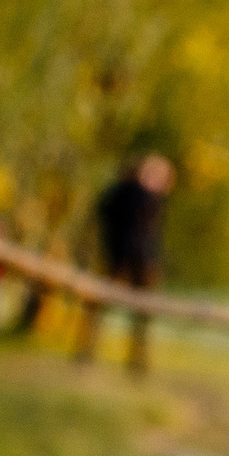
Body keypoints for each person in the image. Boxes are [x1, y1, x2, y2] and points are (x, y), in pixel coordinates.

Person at [80, 153, 173, 373]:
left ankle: (136, 359)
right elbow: (105, 212)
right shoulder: (131, 194)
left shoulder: (147, 197)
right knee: (101, 306)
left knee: (140, 314)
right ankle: (90, 352)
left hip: (139, 259)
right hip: (122, 257)